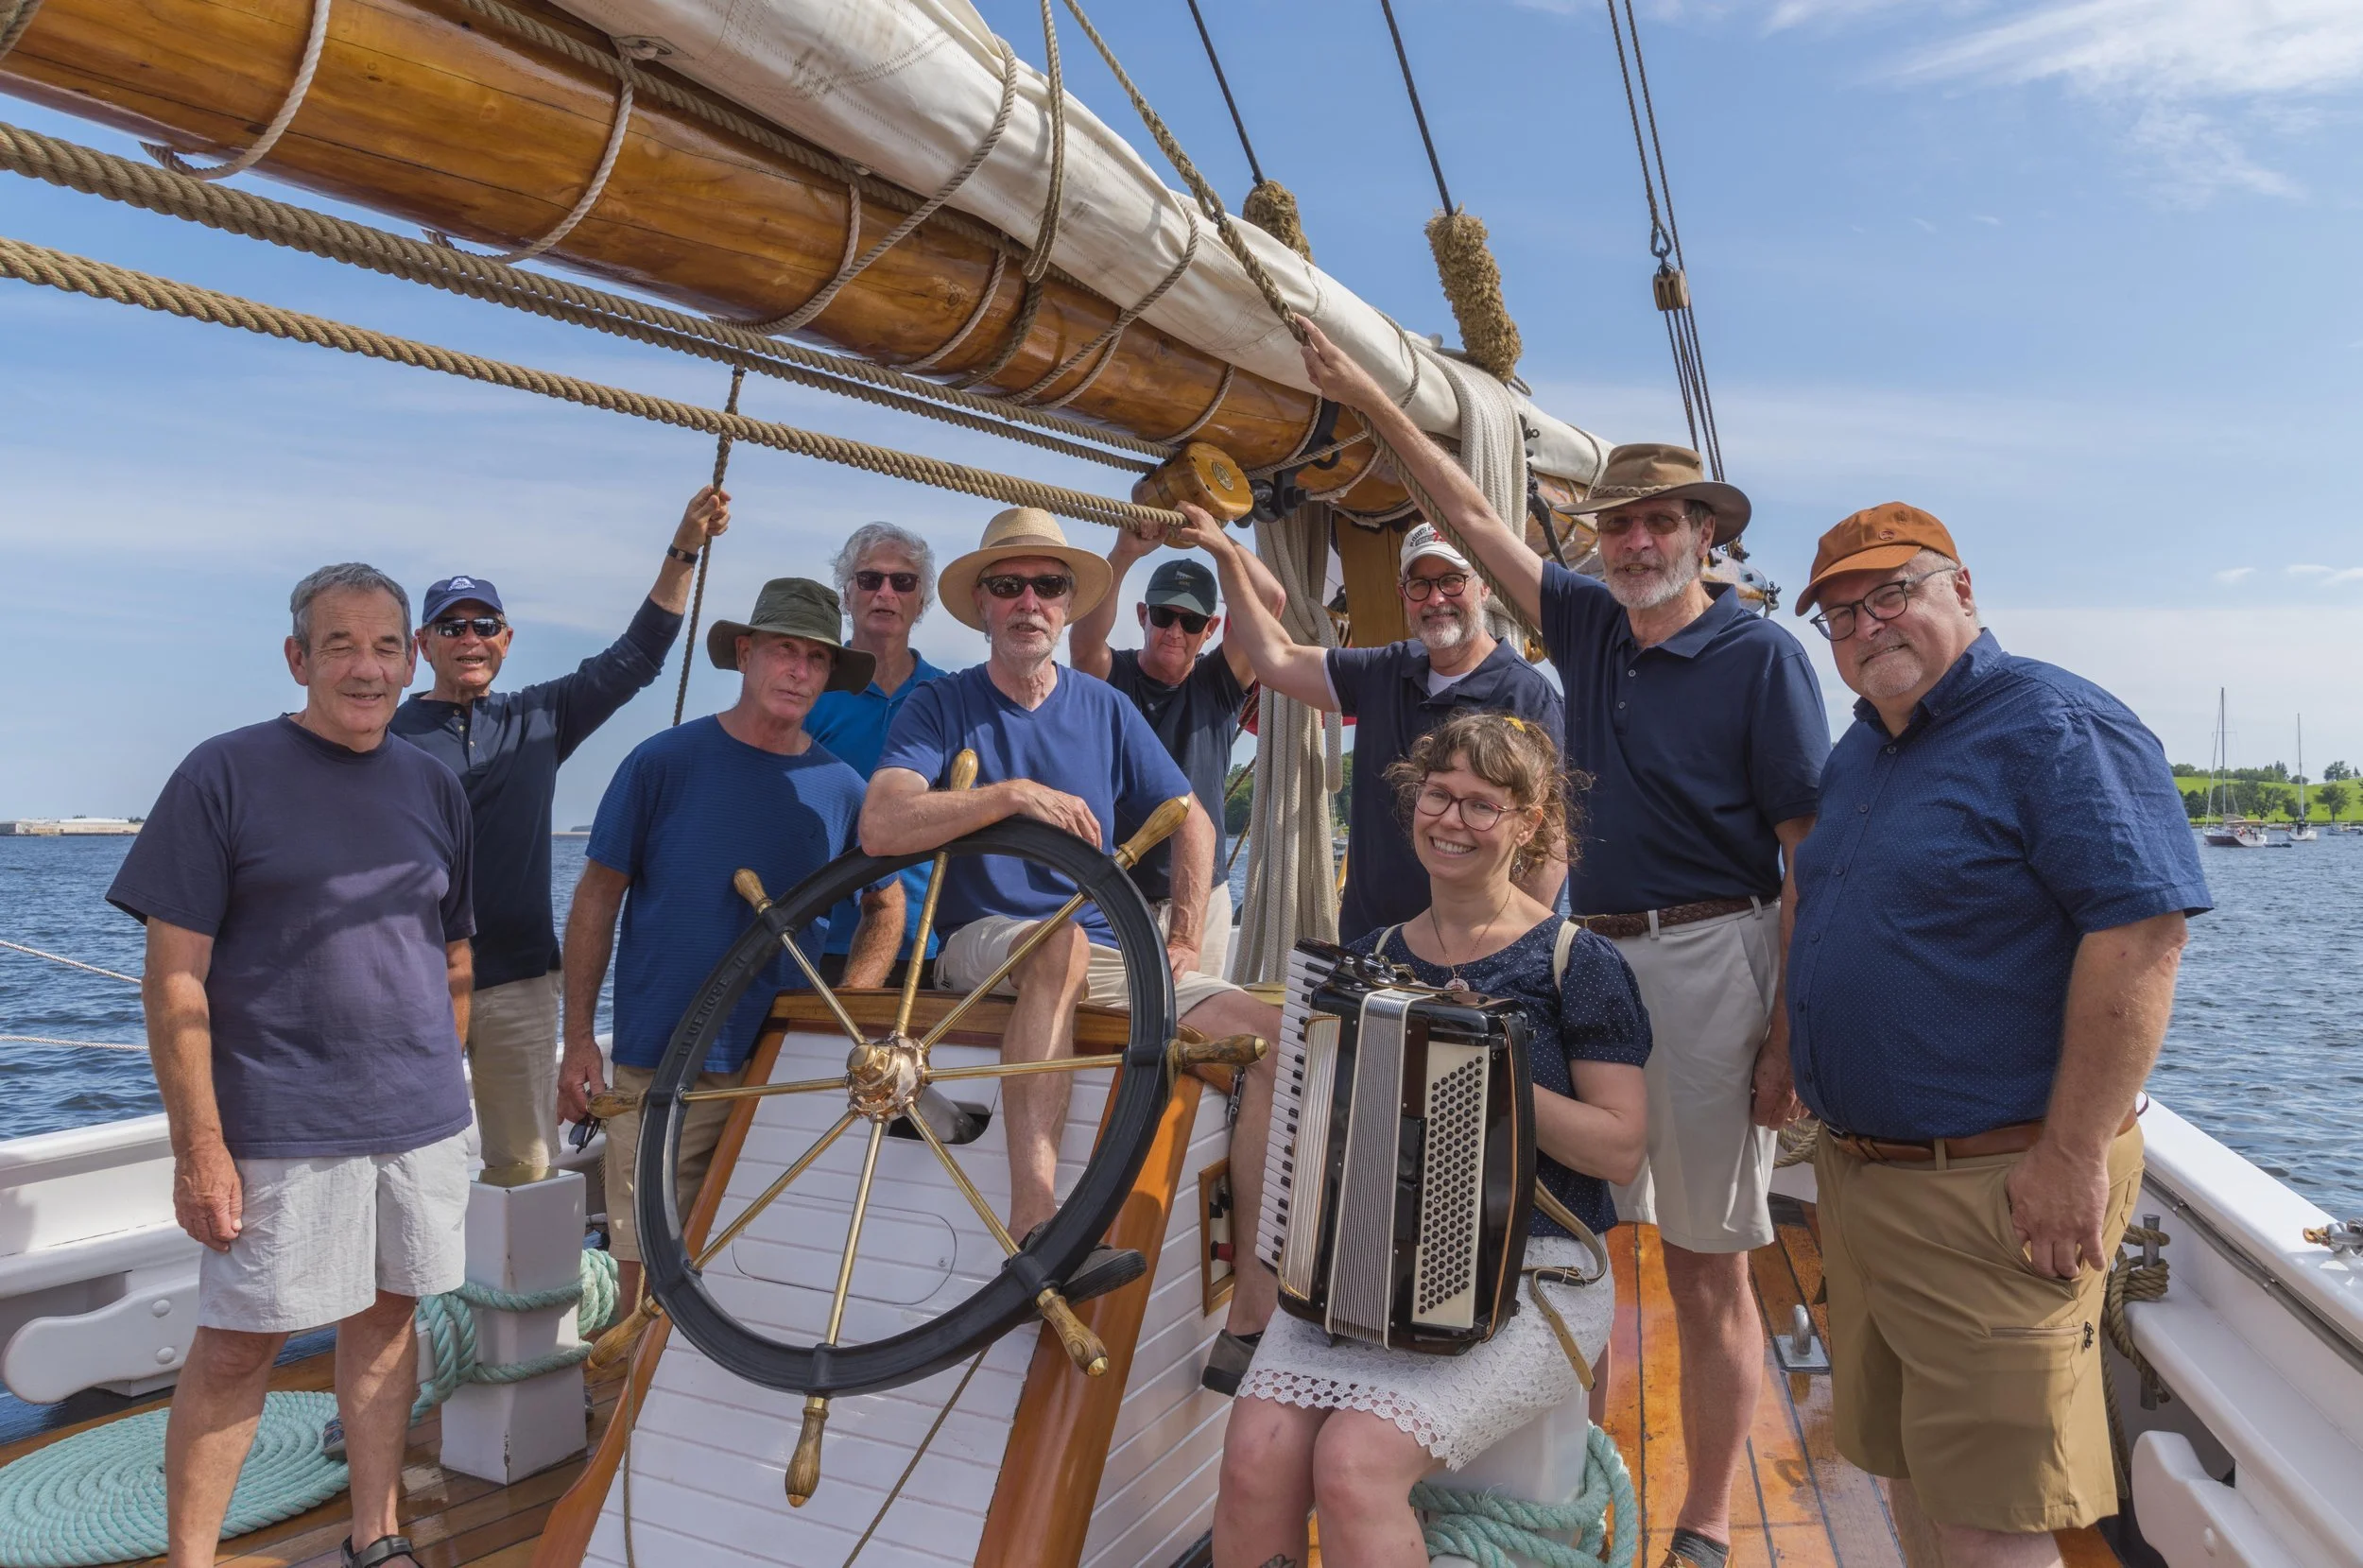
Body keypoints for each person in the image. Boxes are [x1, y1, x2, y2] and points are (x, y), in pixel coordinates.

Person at [1290, 318, 1828, 1568]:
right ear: (1597, 538)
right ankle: (1554, 1489)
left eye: (1664, 523)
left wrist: (1787, 1028)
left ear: (1706, 535)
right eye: (1621, 524)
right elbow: (1473, 519)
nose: (1639, 542)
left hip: (1713, 960)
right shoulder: (1584, 624)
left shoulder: (1759, 656)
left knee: (1704, 1261)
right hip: (1590, 956)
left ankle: (1698, 1520)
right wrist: (1368, 394)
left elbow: (1810, 855)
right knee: (1560, 1231)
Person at [1785, 505, 2208, 1568]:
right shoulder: (1860, 753)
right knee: (1914, 1476)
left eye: (1892, 595)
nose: (1866, 626)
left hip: (1996, 1187)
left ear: (1961, 591)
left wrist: (2069, 1156)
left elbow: (2143, 934)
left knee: (1995, 1518)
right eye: (1839, 615)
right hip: (1868, 1181)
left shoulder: (2054, 725)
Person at [1216, 712, 1650, 1568]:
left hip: (1536, 1273)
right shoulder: (1369, 957)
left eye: (1482, 805)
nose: (1452, 820)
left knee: (1353, 1461)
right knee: (1257, 1450)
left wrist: (1486, 1071)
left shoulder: (1578, 963)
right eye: (1439, 795)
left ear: (1528, 823)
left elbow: (1619, 1149)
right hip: (1370, 1272)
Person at [109, 564, 474, 1568]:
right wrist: (201, 1149)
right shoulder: (222, 773)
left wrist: (441, 1075)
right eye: (342, 646)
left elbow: (453, 954)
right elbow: (175, 981)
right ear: (297, 658)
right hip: (278, 1128)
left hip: (423, 1122)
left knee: (390, 1324)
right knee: (237, 1347)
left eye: (387, 646)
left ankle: (377, 1533)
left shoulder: (434, 785)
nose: (367, 668)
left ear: (411, 658)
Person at [862, 508, 1283, 1304]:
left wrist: (1186, 936)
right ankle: (1037, 1226)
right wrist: (1010, 796)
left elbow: (1191, 815)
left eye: (1048, 586)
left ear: (1065, 604)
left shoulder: (1104, 707)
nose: (1030, 601)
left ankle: (1254, 1318)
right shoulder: (940, 708)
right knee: (1061, 945)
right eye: (1009, 585)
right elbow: (883, 824)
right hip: (984, 943)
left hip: (1110, 950)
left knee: (1273, 1041)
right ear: (983, 604)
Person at [556, 578, 903, 1303]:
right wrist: (581, 1038)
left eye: (816, 659)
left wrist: (849, 1004)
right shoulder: (662, 763)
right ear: (746, 654)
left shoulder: (841, 789)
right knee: (644, 1270)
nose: (800, 672)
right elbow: (594, 898)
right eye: (784, 651)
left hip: (781, 1071)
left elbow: (888, 904)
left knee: (764, 1269)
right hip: (659, 1063)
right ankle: (627, 1411)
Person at [390, 486, 730, 1183]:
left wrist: (683, 550)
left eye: (484, 624)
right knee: (408, 1164)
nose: (470, 639)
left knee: (524, 1164)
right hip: (410, 980)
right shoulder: (383, 735)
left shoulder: (540, 718)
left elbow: (637, 656)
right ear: (421, 646)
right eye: (450, 628)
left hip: (517, 979)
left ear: (507, 639)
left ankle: (514, 1294)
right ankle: (416, 1293)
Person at [1180, 512, 1567, 943]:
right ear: (1403, 595)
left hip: (1471, 953)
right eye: (1420, 585)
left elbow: (1550, 846)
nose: (1436, 599)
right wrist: (1223, 553)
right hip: (1371, 944)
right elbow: (1276, 660)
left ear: (1484, 586)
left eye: (1451, 581)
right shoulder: (1385, 669)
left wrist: (1513, 951)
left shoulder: (1527, 698)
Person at [1070, 522, 1288, 978]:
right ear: (1142, 615)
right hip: (1119, 892)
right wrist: (1125, 551)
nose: (1175, 631)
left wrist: (1215, 538)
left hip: (1202, 899)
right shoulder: (1113, 676)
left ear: (1210, 628)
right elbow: (1084, 642)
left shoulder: (1221, 682)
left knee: (1196, 1034)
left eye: (1190, 622)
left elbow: (1270, 601)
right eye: (1164, 615)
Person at [805, 522, 951, 983]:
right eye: (870, 579)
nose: (885, 592)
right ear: (847, 595)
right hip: (818, 935)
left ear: (921, 600)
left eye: (902, 582)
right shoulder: (807, 689)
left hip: (924, 945)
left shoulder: (949, 697)